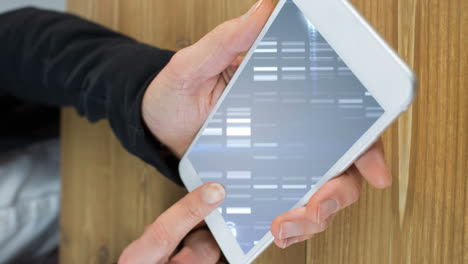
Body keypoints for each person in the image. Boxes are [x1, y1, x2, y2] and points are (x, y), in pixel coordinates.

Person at [0, 0, 392, 263]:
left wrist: (140, 97)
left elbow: (13, 44)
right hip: (104, 217)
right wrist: (198, 245)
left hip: (87, 134)